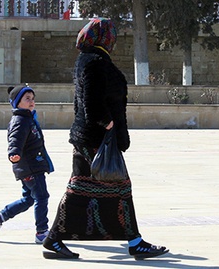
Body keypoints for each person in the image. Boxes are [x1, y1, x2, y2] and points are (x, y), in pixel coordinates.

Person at [42, 18, 168, 260]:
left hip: (92, 138)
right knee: (94, 189)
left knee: (92, 189)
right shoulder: (95, 63)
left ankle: (132, 241)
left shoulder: (89, 60)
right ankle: (133, 243)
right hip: (96, 139)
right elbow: (92, 102)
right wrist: (108, 124)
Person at [0, 85, 55, 244]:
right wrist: (13, 153)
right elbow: (15, 139)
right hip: (30, 167)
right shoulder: (20, 120)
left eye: (32, 98)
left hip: (31, 166)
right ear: (17, 103)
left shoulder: (28, 118)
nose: (31, 102)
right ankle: (42, 232)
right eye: (27, 99)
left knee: (28, 199)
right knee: (41, 196)